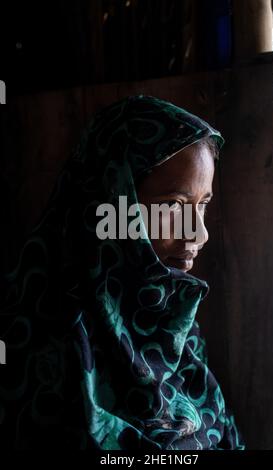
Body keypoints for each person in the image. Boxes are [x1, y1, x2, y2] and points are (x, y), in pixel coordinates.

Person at [0, 95, 245, 450]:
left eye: (202, 205)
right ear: (114, 201)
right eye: (173, 206)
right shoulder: (45, 332)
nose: (199, 234)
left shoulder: (171, 316)